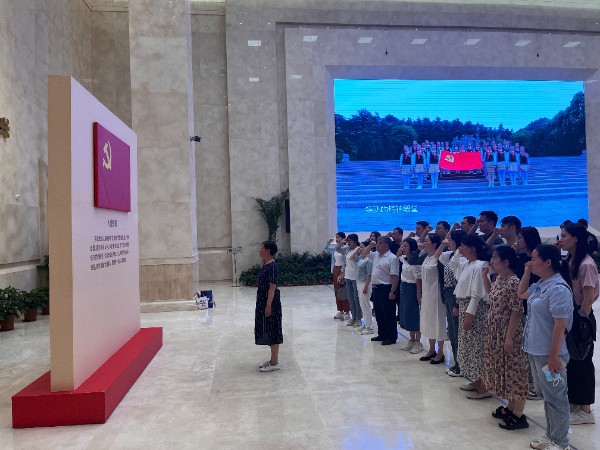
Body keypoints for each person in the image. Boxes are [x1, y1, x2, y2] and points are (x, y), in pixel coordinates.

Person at [518, 245, 573, 450]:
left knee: (556, 397)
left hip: (550, 355)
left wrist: (553, 356)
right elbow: (521, 293)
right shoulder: (541, 285)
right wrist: (526, 271)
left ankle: (561, 442)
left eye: (534, 259)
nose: (530, 262)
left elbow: (560, 325)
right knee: (546, 395)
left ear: (548, 262)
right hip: (536, 352)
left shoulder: (558, 288)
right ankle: (551, 435)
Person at [482, 246, 529, 430]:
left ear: (505, 262)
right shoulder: (499, 279)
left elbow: (516, 312)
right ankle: (511, 407)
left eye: (495, 258)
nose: (491, 261)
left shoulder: (513, 282)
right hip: (496, 331)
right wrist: (484, 277)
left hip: (509, 332)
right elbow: (491, 294)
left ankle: (519, 414)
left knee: (515, 370)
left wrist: (509, 338)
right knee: (505, 369)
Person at [560, 223, 598, 425]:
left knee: (583, 362)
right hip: (571, 315)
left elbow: (588, 297)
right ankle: (575, 402)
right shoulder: (570, 260)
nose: (561, 239)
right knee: (573, 363)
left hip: (581, 318)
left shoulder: (586, 264)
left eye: (564, 236)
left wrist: (580, 322)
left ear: (576, 238)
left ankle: (586, 410)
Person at [449, 234, 491, 399]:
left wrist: (469, 315)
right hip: (465, 305)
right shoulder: (467, 263)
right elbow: (452, 266)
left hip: (475, 309)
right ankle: (477, 379)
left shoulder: (480, 265)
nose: (460, 248)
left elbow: (477, 293)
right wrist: (458, 252)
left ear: (473, 248)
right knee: (470, 345)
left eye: (463, 246)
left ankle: (484, 385)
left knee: (478, 346)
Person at [436, 230, 466, 376]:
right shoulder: (451, 255)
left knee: (456, 330)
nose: (449, 242)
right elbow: (437, 256)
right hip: (448, 293)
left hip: (455, 294)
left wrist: (457, 303)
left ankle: (461, 365)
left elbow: (460, 281)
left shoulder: (461, 259)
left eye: (451, 240)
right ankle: (457, 363)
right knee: (452, 332)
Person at [416, 233, 448, 364]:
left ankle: (440, 352)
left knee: (438, 322)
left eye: (427, 241)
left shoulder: (440, 257)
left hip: (437, 295)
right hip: (427, 295)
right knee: (428, 321)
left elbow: (437, 256)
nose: (424, 243)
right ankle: (431, 349)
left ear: (434, 244)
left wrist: (443, 244)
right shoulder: (426, 258)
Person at [362, 237, 400, 345]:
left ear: (387, 245)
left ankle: (391, 337)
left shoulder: (392, 258)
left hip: (386, 288)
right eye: (377, 243)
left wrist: (393, 291)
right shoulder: (376, 255)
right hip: (376, 288)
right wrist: (370, 245)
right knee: (379, 313)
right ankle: (382, 334)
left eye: (380, 243)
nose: (377, 245)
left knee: (388, 314)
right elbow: (364, 253)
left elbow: (394, 276)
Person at [255, 241, 283, 372]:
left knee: (273, 329)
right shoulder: (266, 264)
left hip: (270, 302)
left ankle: (275, 363)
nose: (259, 250)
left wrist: (268, 305)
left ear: (268, 251)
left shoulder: (272, 266)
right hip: (262, 301)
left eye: (262, 248)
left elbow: (272, 288)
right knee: (267, 328)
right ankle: (272, 360)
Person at [399, 238, 422, 353]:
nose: (403, 248)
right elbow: (397, 254)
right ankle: (411, 340)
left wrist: (418, 294)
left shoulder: (416, 262)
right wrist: (402, 247)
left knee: (415, 315)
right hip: (404, 288)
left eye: (406, 246)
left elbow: (418, 280)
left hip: (412, 289)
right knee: (407, 314)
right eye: (402, 246)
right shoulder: (404, 259)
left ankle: (418, 342)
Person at [324, 232, 350, 320]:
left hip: (343, 270)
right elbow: (326, 248)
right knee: (337, 290)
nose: (337, 239)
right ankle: (340, 311)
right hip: (336, 269)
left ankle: (347, 312)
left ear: (344, 238)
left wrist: (343, 272)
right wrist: (328, 242)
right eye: (337, 237)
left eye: (339, 237)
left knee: (344, 290)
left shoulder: (346, 248)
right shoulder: (335, 248)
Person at [341, 234, 362, 328]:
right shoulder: (348, 250)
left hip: (356, 277)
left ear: (355, 241)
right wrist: (343, 274)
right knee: (350, 298)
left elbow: (358, 262)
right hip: (348, 277)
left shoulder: (359, 250)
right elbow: (346, 263)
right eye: (347, 241)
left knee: (356, 299)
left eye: (350, 241)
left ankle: (358, 318)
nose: (348, 243)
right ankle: (353, 317)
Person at [356, 240, 374, 335]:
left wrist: (366, 286)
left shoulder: (369, 260)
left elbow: (369, 275)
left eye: (362, 247)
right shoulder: (361, 258)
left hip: (365, 284)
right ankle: (366, 323)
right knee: (362, 305)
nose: (360, 248)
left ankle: (369, 327)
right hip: (359, 283)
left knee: (366, 305)